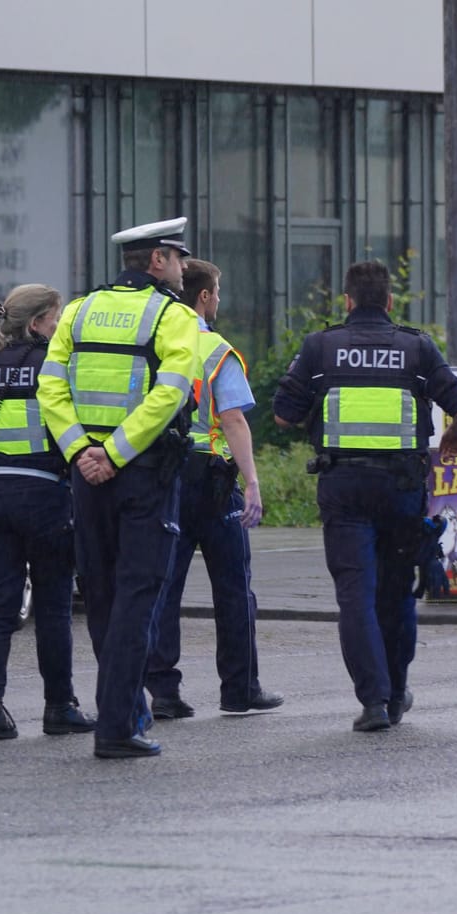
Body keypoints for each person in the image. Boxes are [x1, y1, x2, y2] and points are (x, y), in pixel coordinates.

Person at [273, 261, 457, 733]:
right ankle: (398, 689)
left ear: (347, 301)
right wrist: (455, 436)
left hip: (343, 488)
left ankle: (374, 702)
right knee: (396, 593)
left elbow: (284, 415)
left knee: (355, 597)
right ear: (389, 302)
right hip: (402, 489)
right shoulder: (417, 347)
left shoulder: (321, 347)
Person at [38, 217, 202, 760]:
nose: (183, 267)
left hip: (87, 477)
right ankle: (117, 726)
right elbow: (171, 393)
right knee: (137, 596)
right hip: (142, 474)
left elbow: (51, 387)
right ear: (157, 260)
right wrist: (114, 453)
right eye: (178, 257)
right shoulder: (173, 315)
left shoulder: (80, 310)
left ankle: (125, 712)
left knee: (103, 595)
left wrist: (80, 451)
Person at [145, 258, 283, 720]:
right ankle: (239, 689)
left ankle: (163, 692)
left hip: (165, 474)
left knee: (166, 585)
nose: (219, 301)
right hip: (214, 476)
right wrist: (253, 482)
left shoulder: (157, 342)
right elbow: (233, 418)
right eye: (217, 293)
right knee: (232, 587)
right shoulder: (216, 349)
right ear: (203, 297)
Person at [0, 283, 93, 742]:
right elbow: (68, 435)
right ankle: (60, 706)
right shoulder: (53, 368)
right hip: (45, 498)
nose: (59, 327)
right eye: (55, 319)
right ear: (37, 323)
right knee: (54, 608)